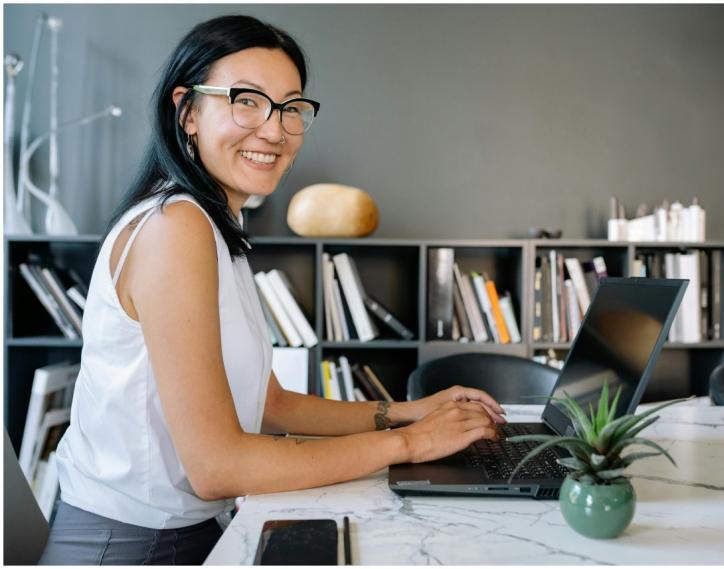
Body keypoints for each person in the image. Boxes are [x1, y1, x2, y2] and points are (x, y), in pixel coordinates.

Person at [39, 15, 504, 565]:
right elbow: (218, 467)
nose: (275, 129)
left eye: (290, 107)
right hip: (132, 547)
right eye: (247, 100)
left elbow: (270, 404)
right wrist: (412, 443)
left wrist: (408, 411)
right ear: (187, 111)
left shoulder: (210, 226)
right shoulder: (174, 228)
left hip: (183, 532)